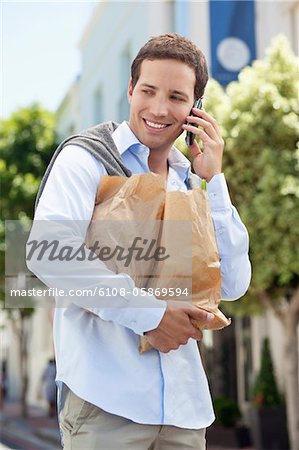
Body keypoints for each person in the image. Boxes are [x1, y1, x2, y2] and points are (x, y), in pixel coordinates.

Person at [27, 33, 251, 450]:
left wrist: (213, 181)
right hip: (106, 405)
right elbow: (47, 253)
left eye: (177, 97)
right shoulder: (86, 158)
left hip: (185, 413)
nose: (160, 108)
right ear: (130, 90)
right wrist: (149, 314)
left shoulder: (190, 181)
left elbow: (234, 285)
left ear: (195, 108)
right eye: (148, 91)